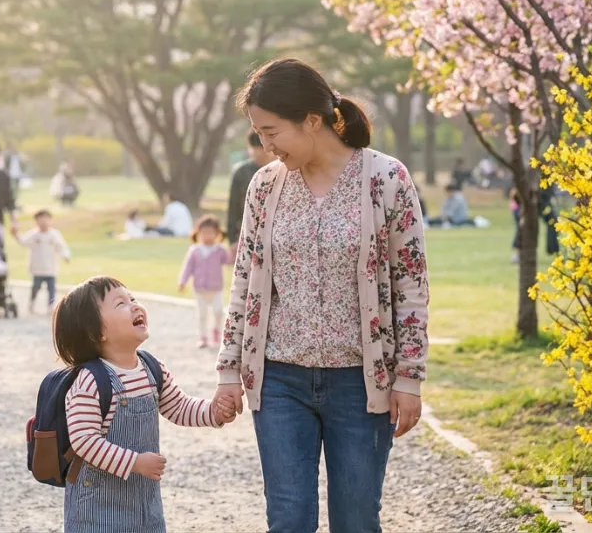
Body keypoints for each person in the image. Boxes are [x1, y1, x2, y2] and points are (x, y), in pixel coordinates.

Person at [213, 58, 429, 533]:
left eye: (272, 132)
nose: (265, 146)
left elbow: (410, 285)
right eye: (258, 133)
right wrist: (230, 370)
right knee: (288, 520)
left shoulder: (386, 179)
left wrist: (409, 377)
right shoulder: (264, 187)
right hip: (279, 381)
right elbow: (245, 281)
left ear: (312, 121)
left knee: (355, 521)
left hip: (360, 383)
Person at [53, 276, 236, 533]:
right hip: (97, 509)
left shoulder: (151, 368)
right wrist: (134, 462)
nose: (135, 306)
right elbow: (84, 441)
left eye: (133, 299)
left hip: (144, 503)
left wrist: (213, 412)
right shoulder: (90, 381)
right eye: (121, 304)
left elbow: (179, 407)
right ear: (97, 332)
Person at [178, 215, 229, 349]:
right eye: (204, 232)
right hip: (200, 289)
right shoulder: (195, 250)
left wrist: (235, 252)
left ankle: (216, 332)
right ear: (198, 233)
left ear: (217, 233)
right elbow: (188, 267)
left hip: (216, 288)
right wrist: (182, 281)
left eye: (211, 232)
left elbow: (229, 261)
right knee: (202, 314)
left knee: (218, 311)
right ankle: (203, 337)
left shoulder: (220, 250)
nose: (207, 236)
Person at [16, 209, 71, 313]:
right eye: (41, 220)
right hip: (38, 268)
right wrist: (16, 235)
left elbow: (61, 247)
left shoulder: (54, 234)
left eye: (46, 219)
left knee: (51, 289)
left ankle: (51, 306)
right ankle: (32, 303)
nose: (44, 222)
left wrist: (65, 256)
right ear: (36, 222)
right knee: (36, 287)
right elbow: (23, 241)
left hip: (51, 268)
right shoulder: (34, 234)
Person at [228, 131, 273, 258]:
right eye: (256, 148)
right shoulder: (241, 172)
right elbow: (233, 206)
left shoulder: (279, 169)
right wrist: (232, 239)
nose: (260, 152)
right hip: (248, 231)